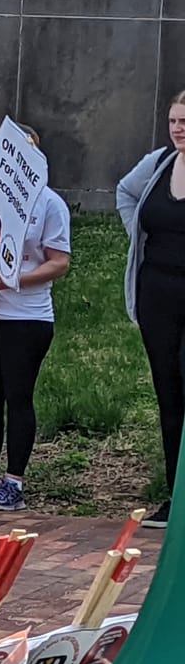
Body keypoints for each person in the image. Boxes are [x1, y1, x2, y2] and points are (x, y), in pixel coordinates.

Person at [0, 123, 69, 513]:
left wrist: (13, 280)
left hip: (27, 317)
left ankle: (14, 481)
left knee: (18, 396)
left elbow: (59, 262)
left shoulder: (50, 205)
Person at [114, 93, 185, 530]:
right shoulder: (159, 162)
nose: (179, 128)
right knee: (169, 393)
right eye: (175, 120)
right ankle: (176, 497)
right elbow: (125, 192)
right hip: (157, 293)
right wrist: (135, 236)